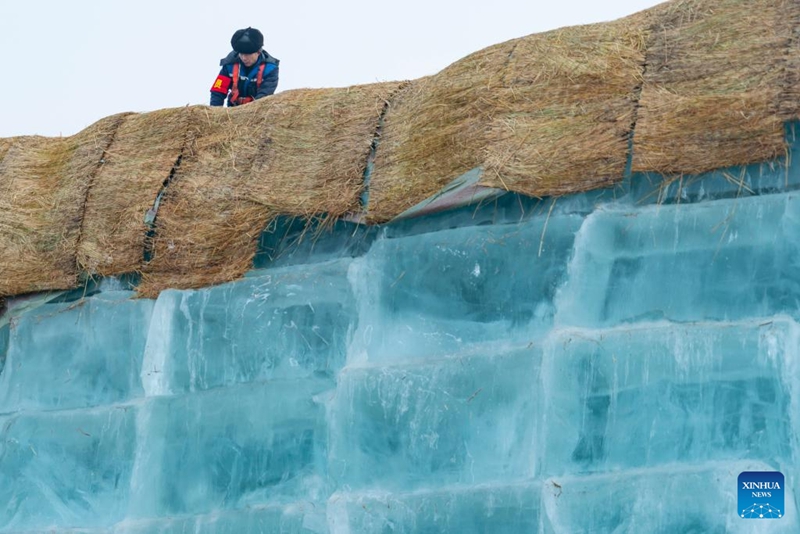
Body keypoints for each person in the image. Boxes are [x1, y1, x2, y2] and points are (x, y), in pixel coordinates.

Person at [210, 27, 279, 107]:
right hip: (233, 109)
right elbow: (218, 90)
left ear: (258, 52)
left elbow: (265, 94)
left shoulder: (270, 69)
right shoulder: (229, 65)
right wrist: (214, 114)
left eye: (248, 54)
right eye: (241, 54)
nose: (244, 58)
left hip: (257, 111)